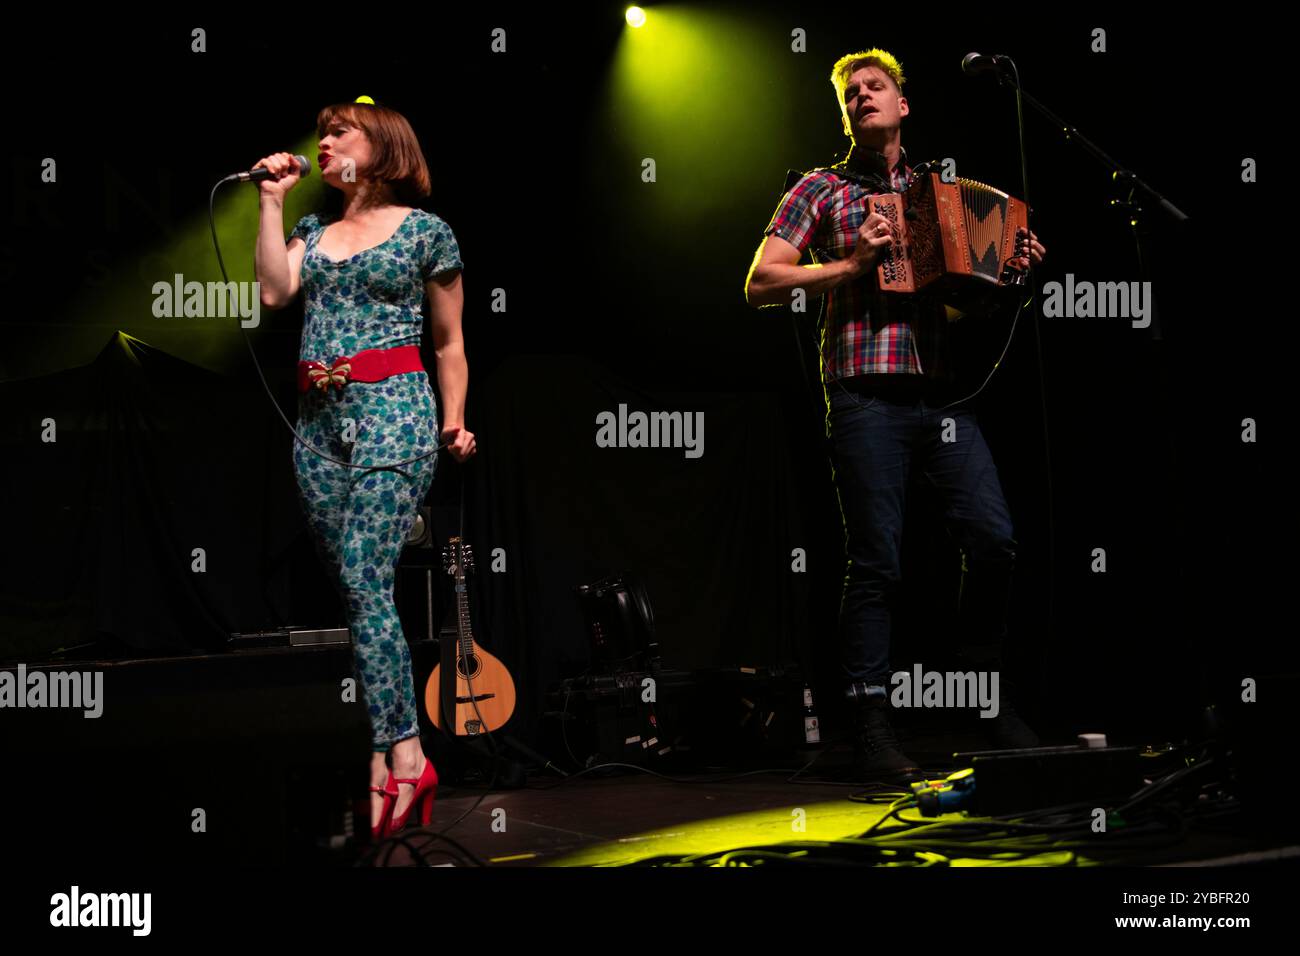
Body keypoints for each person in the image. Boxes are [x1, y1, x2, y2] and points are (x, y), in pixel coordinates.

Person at [744, 49, 1046, 783]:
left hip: (939, 397)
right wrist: (849, 266)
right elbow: (760, 282)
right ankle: (871, 725)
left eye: (874, 88)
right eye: (851, 93)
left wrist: (1010, 271)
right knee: (877, 560)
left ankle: (982, 693)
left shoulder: (935, 192)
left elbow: (958, 303)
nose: (861, 98)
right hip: (863, 396)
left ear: (903, 104)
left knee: (996, 540)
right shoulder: (822, 188)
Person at [253, 100, 476, 836]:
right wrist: (270, 200)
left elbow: (449, 343)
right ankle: (386, 756)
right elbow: (273, 292)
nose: (323, 142)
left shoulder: (425, 232)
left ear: (382, 147)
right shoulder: (312, 232)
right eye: (319, 133)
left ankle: (404, 758)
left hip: (396, 411)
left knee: (361, 577)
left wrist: (453, 419)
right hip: (317, 424)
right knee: (358, 593)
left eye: (339, 131)